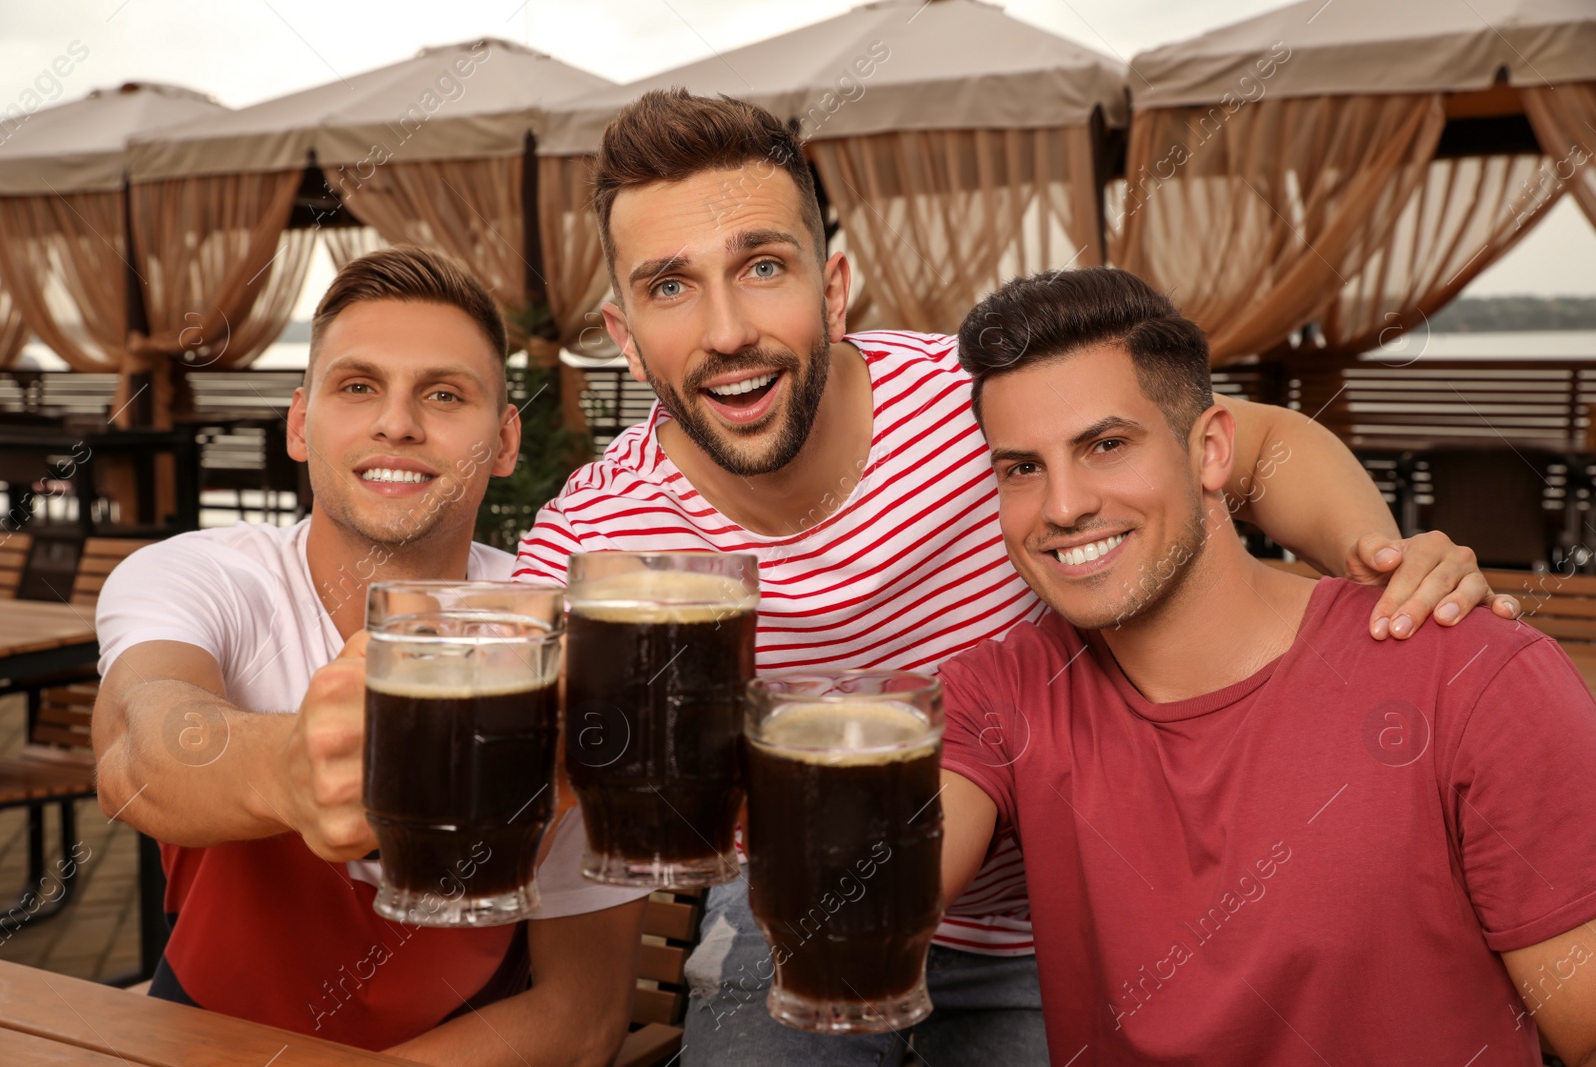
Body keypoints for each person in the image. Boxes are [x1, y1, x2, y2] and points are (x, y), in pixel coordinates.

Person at [513, 88, 1516, 1065]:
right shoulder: (591, 537)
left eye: (762, 265)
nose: (726, 328)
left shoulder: (975, 406)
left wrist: (1384, 572)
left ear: (833, 289)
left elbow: (1255, 447)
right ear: (626, 338)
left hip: (1062, 905)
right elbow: (498, 722)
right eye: (671, 285)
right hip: (796, 899)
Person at [938, 267, 1596, 1065]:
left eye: (1106, 445)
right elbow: (873, 900)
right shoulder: (1001, 692)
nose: (1064, 505)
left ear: (1212, 449)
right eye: (1022, 468)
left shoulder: (1470, 671)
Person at [91, 246, 647, 1066]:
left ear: (503, 440)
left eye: (444, 394)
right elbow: (138, 746)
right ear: (298, 423)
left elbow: (582, 1013)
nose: (397, 422)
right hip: (203, 1034)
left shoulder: (564, 635)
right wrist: (287, 768)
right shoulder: (198, 575)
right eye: (357, 387)